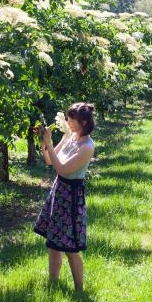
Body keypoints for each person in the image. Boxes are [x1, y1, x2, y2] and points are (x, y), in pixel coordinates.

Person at [33, 102, 96, 291]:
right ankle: (53, 284)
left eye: (71, 119)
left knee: (71, 248)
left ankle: (79, 290)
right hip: (59, 191)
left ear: (83, 122)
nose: (67, 121)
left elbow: (61, 168)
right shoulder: (71, 136)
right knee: (54, 243)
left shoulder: (87, 147)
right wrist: (44, 141)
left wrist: (50, 144)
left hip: (71, 197)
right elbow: (48, 160)